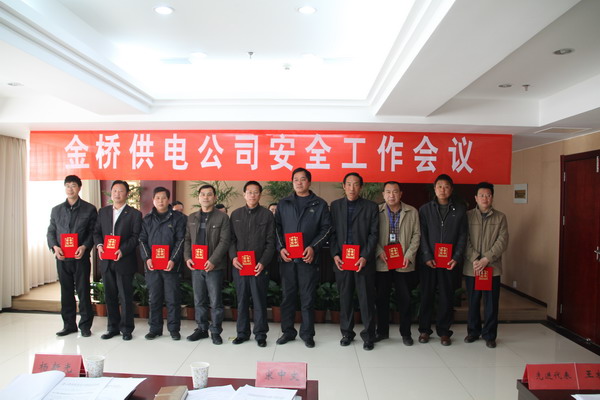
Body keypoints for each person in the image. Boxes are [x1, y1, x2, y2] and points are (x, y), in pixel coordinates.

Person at [275, 167, 331, 348]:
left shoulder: (319, 204)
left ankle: (307, 334)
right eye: (296, 180)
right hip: (288, 259)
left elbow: (326, 229)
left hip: (308, 259)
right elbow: (276, 228)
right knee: (287, 297)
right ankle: (288, 332)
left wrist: (313, 247)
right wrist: (281, 248)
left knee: (307, 298)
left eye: (303, 179)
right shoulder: (284, 203)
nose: (299, 183)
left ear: (309, 182)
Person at [329, 173, 378, 350]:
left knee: (366, 299)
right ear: (343, 186)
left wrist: (364, 256)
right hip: (342, 260)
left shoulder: (371, 207)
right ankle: (347, 333)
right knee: (345, 298)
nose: (352, 188)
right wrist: (335, 254)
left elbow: (374, 235)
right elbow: (332, 233)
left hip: (362, 261)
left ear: (361, 187)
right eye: (348, 184)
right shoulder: (335, 206)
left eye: (356, 184)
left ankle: (369, 336)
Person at [417, 174, 467, 346]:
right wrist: (427, 256)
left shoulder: (460, 210)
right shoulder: (425, 210)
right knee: (427, 295)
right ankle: (424, 330)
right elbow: (422, 235)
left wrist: (456, 257)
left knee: (447, 296)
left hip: (449, 262)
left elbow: (463, 235)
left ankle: (444, 331)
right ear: (434, 189)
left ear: (451, 189)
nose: (442, 190)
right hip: (429, 261)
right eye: (439, 186)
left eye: (446, 187)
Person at [47, 175, 97, 337]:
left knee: (83, 291)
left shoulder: (89, 209)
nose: (70, 189)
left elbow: (93, 232)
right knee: (66, 292)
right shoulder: (56, 210)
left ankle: (85, 326)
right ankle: (69, 325)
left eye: (73, 185)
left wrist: (84, 247)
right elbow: (51, 232)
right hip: (62, 258)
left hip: (80, 257)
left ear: (79, 188)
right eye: (67, 186)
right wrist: (55, 247)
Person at [94, 180, 142, 341]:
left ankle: (127, 329)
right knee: (110, 296)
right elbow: (96, 232)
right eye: (114, 190)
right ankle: (112, 327)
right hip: (107, 261)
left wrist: (122, 250)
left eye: (121, 191)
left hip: (124, 260)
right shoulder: (103, 212)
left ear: (127, 194)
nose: (117, 194)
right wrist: (100, 245)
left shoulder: (134, 214)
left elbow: (136, 237)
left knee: (125, 296)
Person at [229, 181, 275, 347]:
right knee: (241, 300)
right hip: (240, 266)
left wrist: (263, 262)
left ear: (260, 195)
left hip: (258, 267)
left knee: (259, 300)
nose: (252, 195)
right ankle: (242, 333)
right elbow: (231, 240)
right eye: (249, 192)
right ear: (244, 194)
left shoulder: (267, 215)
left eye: (256, 192)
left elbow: (271, 242)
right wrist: (233, 257)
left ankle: (260, 334)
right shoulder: (235, 214)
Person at [374, 181, 421, 346]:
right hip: (383, 260)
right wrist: (378, 251)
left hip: (403, 261)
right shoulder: (376, 211)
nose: (391, 195)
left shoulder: (412, 211)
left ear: (401, 194)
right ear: (383, 194)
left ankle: (406, 333)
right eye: (388, 192)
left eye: (395, 192)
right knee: (381, 298)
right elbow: (371, 234)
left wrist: (409, 255)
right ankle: (382, 332)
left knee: (405, 299)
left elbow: (417, 235)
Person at [463, 182, 508, 349]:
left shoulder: (500, 217)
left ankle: (489, 335)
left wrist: (486, 259)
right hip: (472, 267)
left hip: (491, 268)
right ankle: (473, 332)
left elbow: (502, 241)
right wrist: (475, 258)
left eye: (488, 195)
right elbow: (464, 239)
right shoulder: (467, 216)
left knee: (491, 303)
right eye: (481, 195)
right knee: (473, 302)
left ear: (492, 198)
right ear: (475, 198)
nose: (485, 198)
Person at [184, 184, 230, 345]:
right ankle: (202, 329)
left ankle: (215, 331)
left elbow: (224, 242)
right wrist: (187, 257)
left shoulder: (222, 217)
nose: (206, 197)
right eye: (203, 194)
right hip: (196, 265)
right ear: (198, 197)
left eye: (209, 194)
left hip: (214, 267)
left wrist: (212, 260)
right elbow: (187, 240)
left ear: (215, 197)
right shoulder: (192, 218)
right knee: (199, 300)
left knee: (215, 301)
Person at [139, 187, 186, 341]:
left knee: (173, 299)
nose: (160, 201)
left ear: (168, 200)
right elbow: (142, 240)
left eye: (164, 198)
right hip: (153, 267)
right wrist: (147, 258)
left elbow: (181, 240)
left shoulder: (178, 218)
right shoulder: (147, 219)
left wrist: (173, 259)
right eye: (157, 198)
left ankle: (174, 329)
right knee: (154, 299)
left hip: (171, 266)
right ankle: (155, 329)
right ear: (153, 200)